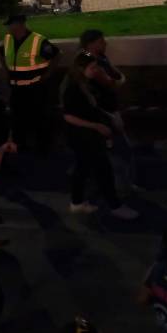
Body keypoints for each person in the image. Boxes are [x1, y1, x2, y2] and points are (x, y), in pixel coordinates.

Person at [62, 52, 137, 220]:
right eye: (92, 67)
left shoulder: (86, 84)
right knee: (103, 170)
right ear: (81, 69)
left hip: (88, 135)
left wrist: (108, 120)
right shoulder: (73, 89)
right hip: (84, 137)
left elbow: (95, 107)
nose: (96, 70)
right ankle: (114, 205)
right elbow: (68, 116)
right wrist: (96, 126)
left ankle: (77, 202)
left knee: (83, 169)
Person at [2, 14, 59, 154]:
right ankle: (20, 146)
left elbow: (57, 55)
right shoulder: (8, 39)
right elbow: (1, 53)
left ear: (20, 24)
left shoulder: (38, 41)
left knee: (40, 118)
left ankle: (43, 148)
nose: (8, 27)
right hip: (16, 88)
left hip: (35, 89)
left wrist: (47, 74)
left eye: (11, 24)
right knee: (17, 119)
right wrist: (6, 71)